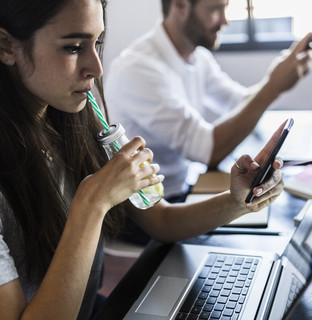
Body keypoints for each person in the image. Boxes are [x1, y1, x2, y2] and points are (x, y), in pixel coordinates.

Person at [0, 0, 284, 319]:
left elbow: (161, 222)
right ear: (6, 45)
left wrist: (237, 201)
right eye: (73, 47)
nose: (97, 67)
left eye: (98, 43)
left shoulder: (77, 121)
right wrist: (92, 204)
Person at [105, 0, 312, 201]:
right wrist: (273, 86)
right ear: (180, 5)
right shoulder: (138, 70)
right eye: (215, 9)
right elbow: (209, 151)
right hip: (156, 206)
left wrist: (280, 75)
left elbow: (239, 102)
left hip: (188, 184)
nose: (225, 21)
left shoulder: (197, 57)